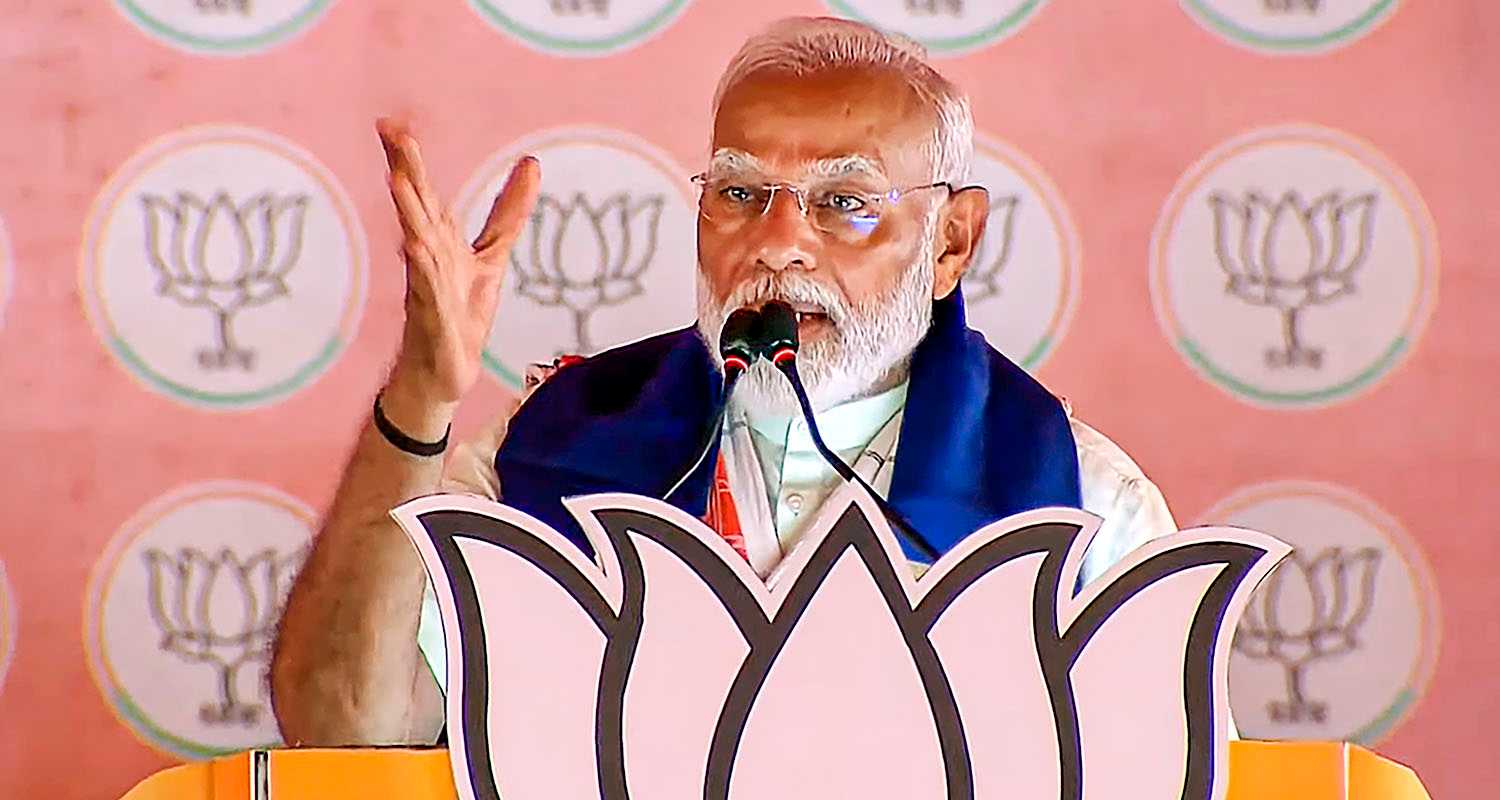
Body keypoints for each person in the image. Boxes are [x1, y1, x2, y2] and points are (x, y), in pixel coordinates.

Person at [270, 16, 1177, 748]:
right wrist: (422, 399)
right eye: (741, 193)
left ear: (951, 242)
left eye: (843, 203)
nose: (777, 243)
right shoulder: (553, 441)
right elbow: (345, 729)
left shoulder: (1077, 496)